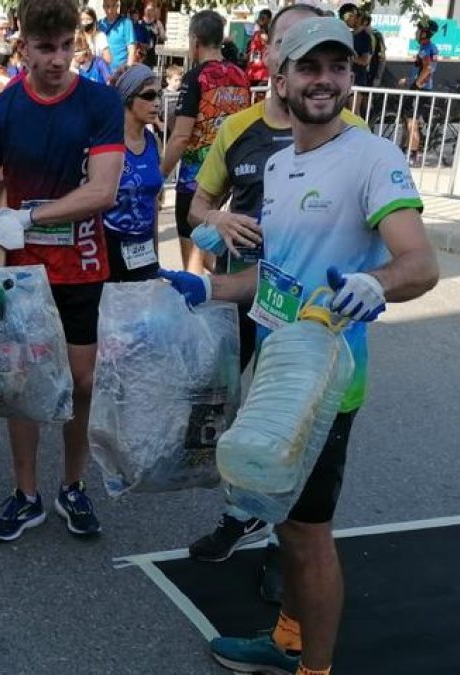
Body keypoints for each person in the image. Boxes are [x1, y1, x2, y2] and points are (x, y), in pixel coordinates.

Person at [162, 17, 439, 675]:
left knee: (309, 536)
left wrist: (375, 283)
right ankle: (287, 635)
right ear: (279, 79)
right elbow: (275, 275)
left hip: (326, 382)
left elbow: (421, 262)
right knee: (286, 522)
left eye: (337, 66)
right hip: (279, 371)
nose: (325, 80)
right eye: (310, 67)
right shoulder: (282, 165)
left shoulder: (373, 156)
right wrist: (210, 290)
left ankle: (313, 667)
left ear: (351, 76)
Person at [185, 3, 368, 607]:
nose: (313, 67)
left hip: (313, 327)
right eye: (294, 47)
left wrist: (379, 283)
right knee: (238, 414)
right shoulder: (240, 130)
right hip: (248, 296)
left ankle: (282, 556)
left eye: (328, 58)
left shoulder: (357, 139)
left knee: (296, 438)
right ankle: (246, 516)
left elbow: (406, 253)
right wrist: (217, 221)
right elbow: (196, 208)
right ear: (273, 59)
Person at [0, 0, 124, 542]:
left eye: (66, 46)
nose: (57, 59)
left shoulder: (100, 102)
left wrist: (29, 214)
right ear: (23, 46)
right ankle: (25, 494)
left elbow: (102, 190)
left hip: (82, 266)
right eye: (45, 48)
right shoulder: (2, 110)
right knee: (24, 384)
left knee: (82, 382)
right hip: (23, 275)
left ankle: (72, 487)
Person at [161, 10, 250, 272]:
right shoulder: (240, 76)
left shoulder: (195, 77)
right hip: (230, 174)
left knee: (192, 257)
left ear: (195, 40)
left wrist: (159, 176)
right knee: (212, 246)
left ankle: (197, 302)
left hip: (195, 179)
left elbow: (180, 137)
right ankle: (229, 285)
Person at [104, 65, 164, 282]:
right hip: (110, 246)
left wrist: (156, 254)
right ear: (128, 98)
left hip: (144, 248)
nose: (157, 102)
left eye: (159, 94)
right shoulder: (108, 142)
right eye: (148, 96)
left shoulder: (154, 142)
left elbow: (153, 203)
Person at [399, 20, 439, 162]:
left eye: (418, 30)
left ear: (424, 33)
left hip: (420, 89)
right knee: (411, 121)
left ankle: (413, 153)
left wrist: (416, 83)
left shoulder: (426, 48)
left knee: (412, 122)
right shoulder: (428, 47)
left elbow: (428, 68)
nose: (415, 33)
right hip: (422, 87)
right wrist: (410, 79)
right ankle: (408, 149)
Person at [337, 3, 371, 87]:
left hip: (357, 81)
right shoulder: (344, 34)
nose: (350, 19)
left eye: (351, 16)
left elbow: (365, 61)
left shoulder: (364, 36)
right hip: (343, 79)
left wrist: (348, 58)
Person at [99, 0, 138, 70]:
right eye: (107, 6)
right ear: (103, 7)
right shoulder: (99, 24)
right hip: (103, 72)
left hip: (120, 72)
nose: (110, 10)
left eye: (113, 5)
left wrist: (127, 71)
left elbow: (132, 50)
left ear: (117, 6)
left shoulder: (126, 23)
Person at [245, 9, 271, 87]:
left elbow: (266, 42)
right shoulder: (256, 34)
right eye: (260, 17)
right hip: (252, 71)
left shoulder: (269, 34)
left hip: (262, 74)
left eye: (263, 18)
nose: (260, 20)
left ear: (269, 20)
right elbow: (254, 51)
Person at [138, 2, 166, 69]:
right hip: (140, 54)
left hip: (152, 54)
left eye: (151, 10)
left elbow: (164, 38)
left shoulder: (157, 23)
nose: (149, 12)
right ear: (145, 11)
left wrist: (157, 33)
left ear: (154, 11)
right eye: (148, 10)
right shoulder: (140, 23)